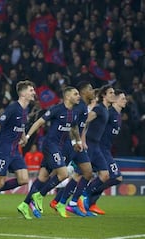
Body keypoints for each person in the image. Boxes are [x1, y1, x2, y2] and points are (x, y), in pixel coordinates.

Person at [17, 86, 83, 218]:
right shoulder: (56, 109)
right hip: (50, 145)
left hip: (61, 147)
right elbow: (39, 122)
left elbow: (74, 128)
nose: (78, 96)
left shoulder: (74, 112)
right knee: (63, 173)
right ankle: (39, 195)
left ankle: (24, 204)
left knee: (42, 177)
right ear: (67, 96)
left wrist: (78, 142)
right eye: (75, 94)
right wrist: (28, 137)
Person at [0, 80, 36, 220]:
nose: (34, 92)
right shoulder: (12, 108)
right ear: (23, 93)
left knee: (23, 179)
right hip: (3, 149)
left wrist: (23, 137)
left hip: (14, 151)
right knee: (0, 182)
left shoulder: (25, 110)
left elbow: (20, 126)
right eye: (31, 90)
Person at [49, 81, 96, 217]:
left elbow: (81, 126)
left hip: (76, 145)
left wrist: (81, 141)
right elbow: (70, 124)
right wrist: (76, 141)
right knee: (53, 175)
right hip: (68, 145)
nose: (93, 92)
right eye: (90, 89)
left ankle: (70, 203)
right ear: (83, 92)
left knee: (87, 172)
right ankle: (35, 197)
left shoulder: (84, 108)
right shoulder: (79, 107)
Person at [86, 89, 127, 214]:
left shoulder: (118, 116)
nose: (125, 100)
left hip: (106, 149)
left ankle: (89, 201)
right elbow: (91, 123)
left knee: (92, 176)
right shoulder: (108, 113)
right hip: (99, 148)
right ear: (115, 100)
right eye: (122, 98)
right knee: (116, 177)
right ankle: (86, 197)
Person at [81, 85, 115, 213]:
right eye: (110, 93)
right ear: (103, 96)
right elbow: (84, 121)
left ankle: (84, 196)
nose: (113, 95)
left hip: (96, 146)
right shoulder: (99, 109)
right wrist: (82, 140)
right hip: (89, 143)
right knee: (81, 174)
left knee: (105, 175)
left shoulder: (106, 109)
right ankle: (64, 202)